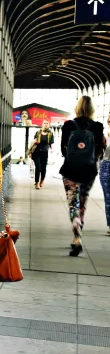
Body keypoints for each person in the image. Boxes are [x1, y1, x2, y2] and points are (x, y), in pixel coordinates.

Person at [60, 95, 105, 256]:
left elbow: (63, 150)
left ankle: (76, 235)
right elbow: (99, 151)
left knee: (73, 203)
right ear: (92, 109)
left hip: (70, 170)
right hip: (89, 171)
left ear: (77, 108)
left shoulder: (68, 125)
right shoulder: (98, 127)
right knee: (82, 203)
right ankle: (77, 237)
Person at [30, 121, 54, 189]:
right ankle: (37, 183)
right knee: (38, 167)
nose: (46, 125)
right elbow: (33, 142)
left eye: (47, 123)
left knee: (43, 169)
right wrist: (30, 152)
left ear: (49, 125)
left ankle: (42, 180)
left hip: (45, 153)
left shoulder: (50, 133)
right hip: (36, 152)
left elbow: (51, 143)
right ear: (42, 124)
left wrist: (53, 150)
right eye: (44, 123)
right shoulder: (38, 133)